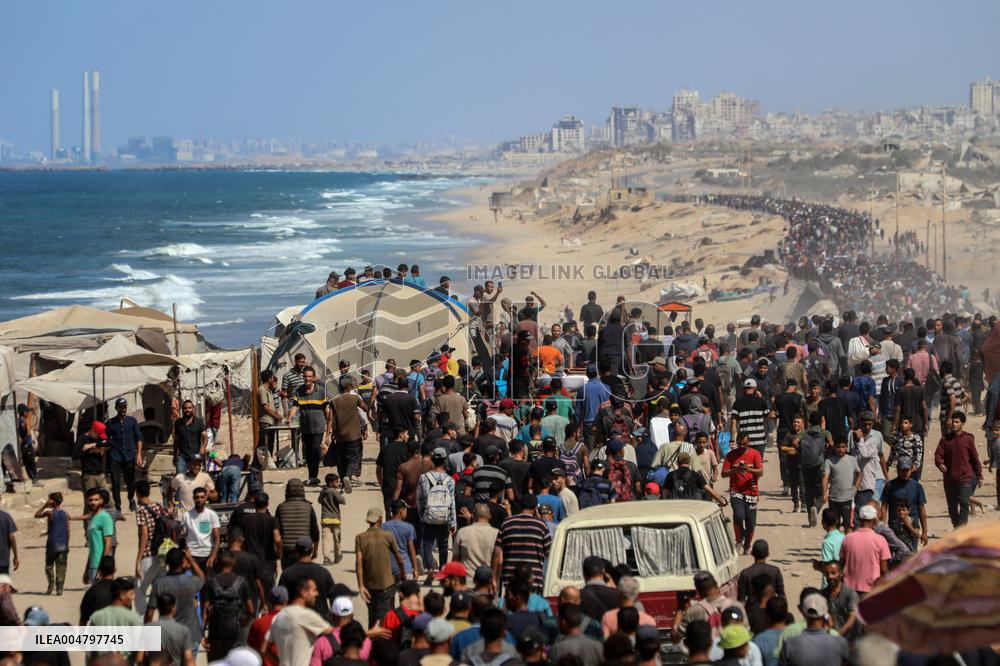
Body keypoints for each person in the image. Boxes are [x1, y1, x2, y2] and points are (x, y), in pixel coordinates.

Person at [147, 549, 206, 656]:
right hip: (191, 635)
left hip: (168, 636)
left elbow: (150, 613)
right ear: (183, 562)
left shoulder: (159, 584)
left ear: (167, 562)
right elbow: (202, 578)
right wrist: (191, 560)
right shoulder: (191, 582)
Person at [357, 506, 407, 628]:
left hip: (369, 585)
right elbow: (399, 559)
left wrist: (361, 586)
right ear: (380, 519)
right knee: (383, 617)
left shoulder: (360, 538)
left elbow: (358, 563)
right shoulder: (388, 536)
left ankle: (372, 641)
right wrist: (403, 574)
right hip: (386, 584)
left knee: (372, 616)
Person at [266, 578, 333, 666]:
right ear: (303, 592)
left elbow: (264, 649)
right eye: (314, 590)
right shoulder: (306, 615)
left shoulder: (279, 617)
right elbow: (334, 633)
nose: (317, 594)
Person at [203, 549, 254, 661]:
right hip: (235, 632)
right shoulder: (241, 582)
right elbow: (251, 609)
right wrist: (245, 622)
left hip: (215, 631)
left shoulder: (211, 583)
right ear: (234, 562)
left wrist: (203, 635)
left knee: (216, 662)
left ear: (218, 563)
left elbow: (205, 611)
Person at [492, 495, 551, 591]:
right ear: (535, 508)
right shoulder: (541, 525)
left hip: (510, 581)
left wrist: (494, 578)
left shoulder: (507, 523)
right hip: (534, 581)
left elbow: (497, 553)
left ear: (520, 506)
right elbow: (549, 552)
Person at [934, 410, 982, 528]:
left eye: (957, 422)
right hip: (949, 478)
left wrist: (979, 475)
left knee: (964, 503)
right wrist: (940, 464)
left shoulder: (968, 439)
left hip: (965, 477)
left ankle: (962, 530)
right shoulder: (945, 439)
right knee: (952, 507)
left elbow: (975, 459)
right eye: (953, 422)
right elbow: (938, 454)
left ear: (963, 423)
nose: (954, 424)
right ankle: (957, 527)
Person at [288, 366, 331, 485]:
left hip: (318, 427)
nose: (307, 379)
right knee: (308, 451)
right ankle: (311, 475)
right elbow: (295, 405)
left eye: (309, 377)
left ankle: (314, 475)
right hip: (305, 427)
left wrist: (330, 424)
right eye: (305, 376)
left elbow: (325, 409)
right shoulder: (299, 391)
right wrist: (290, 417)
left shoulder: (320, 391)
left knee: (315, 449)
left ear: (313, 378)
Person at [777, 594, 848, 666]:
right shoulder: (840, 643)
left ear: (804, 612)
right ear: (825, 614)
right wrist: (828, 631)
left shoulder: (789, 644)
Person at [722, 432, 764, 554]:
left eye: (744, 444)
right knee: (739, 516)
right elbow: (723, 473)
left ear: (748, 442)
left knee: (751, 523)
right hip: (736, 492)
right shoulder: (730, 456)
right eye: (739, 444)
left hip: (752, 492)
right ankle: (739, 540)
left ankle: (747, 544)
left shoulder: (755, 454)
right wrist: (734, 470)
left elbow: (760, 472)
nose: (742, 446)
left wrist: (748, 469)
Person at [418, 447, 457, 573]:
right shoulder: (450, 480)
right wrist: (453, 523)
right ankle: (443, 570)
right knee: (443, 545)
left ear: (432, 460)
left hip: (428, 517)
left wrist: (422, 515)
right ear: (445, 460)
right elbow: (452, 503)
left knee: (427, 544)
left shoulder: (424, 478)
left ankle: (430, 566)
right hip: (444, 518)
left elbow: (421, 499)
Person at [878, 456, 928, 553]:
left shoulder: (917, 487)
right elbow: (884, 506)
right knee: (895, 556)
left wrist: (925, 532)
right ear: (897, 470)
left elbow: (921, 509)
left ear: (912, 469)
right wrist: (883, 527)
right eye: (902, 470)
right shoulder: (890, 485)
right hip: (894, 527)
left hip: (913, 528)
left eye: (907, 470)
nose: (904, 473)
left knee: (911, 555)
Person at [279, 537, 337, 620]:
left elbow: (281, 600)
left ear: (296, 550)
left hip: (296, 622)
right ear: (312, 550)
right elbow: (334, 598)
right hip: (321, 622)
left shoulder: (287, 574)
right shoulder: (323, 572)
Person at [87, 576, 143, 662]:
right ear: (122, 596)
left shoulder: (97, 617)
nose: (133, 597)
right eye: (131, 594)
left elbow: (91, 650)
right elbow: (138, 650)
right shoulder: (133, 618)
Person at [839, 505, 890, 595]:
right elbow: (884, 569)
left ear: (859, 519)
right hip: (871, 588)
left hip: (849, 588)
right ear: (874, 520)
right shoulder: (880, 540)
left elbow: (841, 565)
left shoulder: (848, 538)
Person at [104, 397, 144, 512]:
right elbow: (106, 439)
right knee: (115, 482)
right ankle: (117, 505)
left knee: (130, 481)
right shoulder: (110, 423)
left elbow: (138, 438)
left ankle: (131, 499)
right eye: (120, 407)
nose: (123, 409)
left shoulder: (132, 421)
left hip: (129, 455)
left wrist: (139, 454)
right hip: (115, 455)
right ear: (116, 408)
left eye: (124, 407)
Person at [133, 479, 167, 616]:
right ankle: (163, 619)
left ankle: (141, 622)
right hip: (162, 553)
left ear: (137, 493)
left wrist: (138, 558)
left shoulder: (141, 510)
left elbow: (144, 535)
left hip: (148, 554)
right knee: (160, 589)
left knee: (140, 590)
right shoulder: (158, 506)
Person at [274, 478, 320, 570]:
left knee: (288, 579)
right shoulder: (308, 507)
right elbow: (315, 532)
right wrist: (315, 550)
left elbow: (276, 532)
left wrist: (279, 552)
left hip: (287, 551)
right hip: (304, 551)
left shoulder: (281, 507)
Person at [146, 593, 196, 666]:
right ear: (173, 609)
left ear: (158, 608)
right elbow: (188, 660)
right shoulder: (183, 630)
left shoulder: (148, 628)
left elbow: (139, 658)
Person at [34, 491, 68, 595]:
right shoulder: (65, 514)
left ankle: (51, 586)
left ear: (52, 501)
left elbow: (37, 515)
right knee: (61, 566)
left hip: (52, 544)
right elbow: (68, 530)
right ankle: (60, 587)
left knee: (49, 565)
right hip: (63, 544)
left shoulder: (50, 513)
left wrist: (45, 505)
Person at [822, 440, 860, 533]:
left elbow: (859, 473)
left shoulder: (852, 460)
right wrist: (824, 493)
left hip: (848, 498)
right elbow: (825, 477)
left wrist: (856, 487)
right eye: (838, 447)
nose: (841, 449)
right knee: (834, 524)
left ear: (846, 447)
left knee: (848, 524)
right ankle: (836, 545)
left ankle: (848, 545)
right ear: (835, 447)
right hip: (833, 498)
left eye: (843, 447)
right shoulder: (829, 461)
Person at [181, 486, 221, 572]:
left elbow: (217, 537)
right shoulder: (186, 516)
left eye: (202, 497)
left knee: (207, 583)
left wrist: (213, 557)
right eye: (197, 497)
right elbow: (183, 537)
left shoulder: (212, 515)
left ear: (206, 497)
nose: (199, 500)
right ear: (193, 498)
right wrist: (186, 556)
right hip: (192, 555)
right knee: (192, 584)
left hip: (207, 555)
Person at [819, 561, 859, 641]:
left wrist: (839, 634)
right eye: (827, 574)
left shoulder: (850, 594)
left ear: (841, 574)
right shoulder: (822, 594)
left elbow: (852, 617)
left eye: (833, 573)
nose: (830, 576)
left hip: (849, 639)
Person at [82, 487, 114, 584]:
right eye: (91, 500)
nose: (93, 502)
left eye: (96, 500)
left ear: (101, 501)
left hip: (100, 566)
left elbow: (108, 542)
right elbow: (93, 546)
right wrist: (87, 569)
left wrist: (103, 567)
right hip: (93, 565)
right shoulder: (93, 518)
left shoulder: (104, 517)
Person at [248, 586, 287, 666]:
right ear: (286, 601)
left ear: (269, 602)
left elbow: (252, 650)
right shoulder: (294, 622)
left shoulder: (258, 623)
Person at [172, 399, 207, 474]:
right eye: (185, 408)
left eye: (189, 408)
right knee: (180, 479)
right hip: (182, 456)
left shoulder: (199, 422)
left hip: (196, 456)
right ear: (183, 409)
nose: (187, 410)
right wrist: (174, 455)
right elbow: (176, 441)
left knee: (195, 480)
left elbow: (205, 437)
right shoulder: (178, 423)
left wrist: (203, 447)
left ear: (193, 409)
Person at [80, 556, 116, 625]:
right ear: (114, 570)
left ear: (99, 570)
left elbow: (83, 619)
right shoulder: (121, 591)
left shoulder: (93, 591)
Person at [319, 473, 347, 565]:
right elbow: (343, 501)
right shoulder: (334, 491)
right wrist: (340, 494)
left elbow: (319, 500)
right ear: (330, 483)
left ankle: (326, 558)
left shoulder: (323, 491)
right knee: (337, 538)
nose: (338, 483)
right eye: (336, 482)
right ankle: (337, 555)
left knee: (325, 540)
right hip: (335, 519)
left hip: (325, 519)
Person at [257, 369, 284, 459]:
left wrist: (274, 413)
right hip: (265, 421)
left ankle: (269, 462)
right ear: (269, 379)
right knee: (264, 444)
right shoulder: (262, 390)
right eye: (272, 377)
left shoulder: (268, 390)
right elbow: (265, 407)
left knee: (270, 443)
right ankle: (262, 463)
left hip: (270, 421)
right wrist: (276, 415)